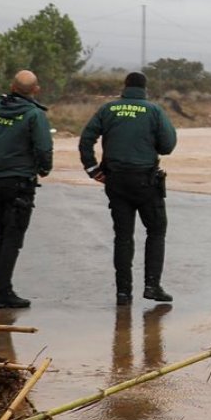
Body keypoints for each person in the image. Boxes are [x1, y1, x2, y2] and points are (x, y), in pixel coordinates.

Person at [79, 71, 177, 305]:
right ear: (145, 89)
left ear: (125, 87)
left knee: (123, 237)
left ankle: (123, 293)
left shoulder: (108, 109)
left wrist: (92, 169)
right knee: (156, 231)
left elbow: (86, 139)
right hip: (145, 182)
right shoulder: (153, 111)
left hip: (115, 181)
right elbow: (167, 146)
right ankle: (152, 286)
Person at [0, 70, 53, 309]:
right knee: (12, 237)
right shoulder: (34, 115)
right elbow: (43, 147)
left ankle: (1, 288)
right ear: (36, 90)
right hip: (20, 183)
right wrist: (44, 169)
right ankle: (2, 292)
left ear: (12, 85)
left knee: (2, 234)